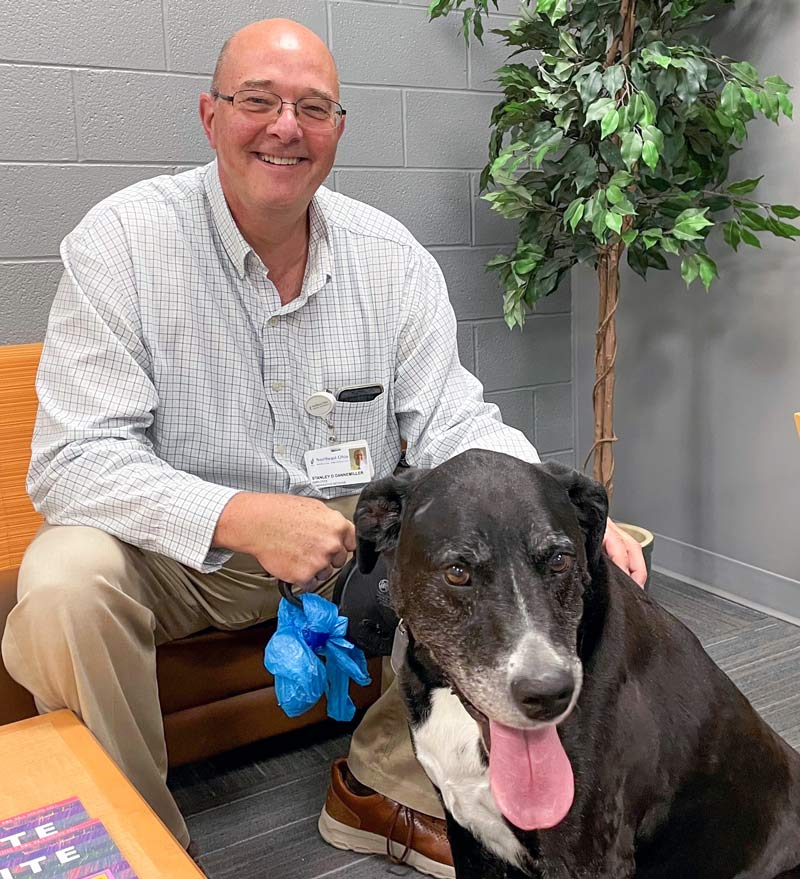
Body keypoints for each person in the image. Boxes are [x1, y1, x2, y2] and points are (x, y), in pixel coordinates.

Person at [1, 18, 646, 877]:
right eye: (258, 102)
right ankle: (142, 838)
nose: (285, 127)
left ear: (338, 128)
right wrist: (242, 515)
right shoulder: (121, 244)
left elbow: (455, 418)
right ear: (209, 114)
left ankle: (381, 783)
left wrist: (562, 514)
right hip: (177, 551)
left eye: (312, 107)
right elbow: (73, 460)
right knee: (61, 580)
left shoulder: (392, 259)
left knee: (537, 550)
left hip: (353, 540)